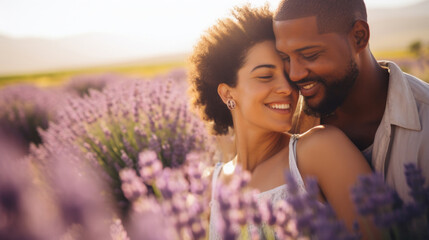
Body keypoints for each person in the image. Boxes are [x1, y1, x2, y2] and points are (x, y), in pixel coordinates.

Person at [188, 5, 374, 239]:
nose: (287, 88)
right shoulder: (210, 188)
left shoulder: (320, 151)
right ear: (227, 94)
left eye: (288, 75)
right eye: (265, 76)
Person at [273, 0, 429, 202]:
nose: (294, 74)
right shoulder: (284, 124)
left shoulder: (425, 119)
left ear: (359, 37)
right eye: (285, 57)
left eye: (310, 55)